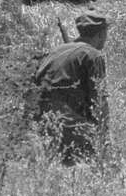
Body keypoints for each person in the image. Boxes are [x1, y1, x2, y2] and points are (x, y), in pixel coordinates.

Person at [33, 13, 110, 165]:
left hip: (36, 116)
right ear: (101, 34)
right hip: (60, 114)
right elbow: (99, 101)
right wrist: (103, 135)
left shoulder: (56, 50)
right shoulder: (93, 55)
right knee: (94, 149)